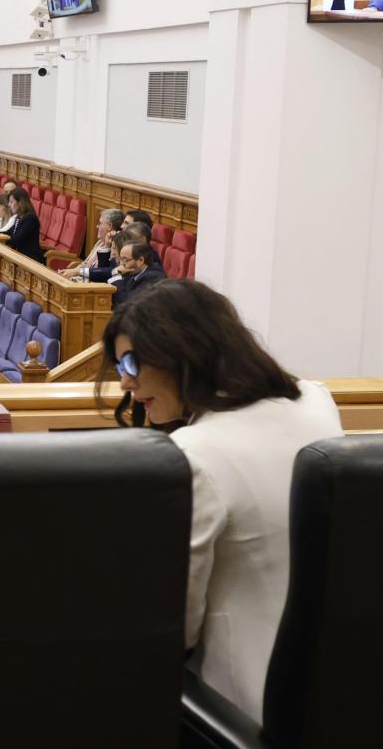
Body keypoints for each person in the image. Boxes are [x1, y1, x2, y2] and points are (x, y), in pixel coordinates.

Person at [99, 279, 343, 725]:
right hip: (333, 679)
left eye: (132, 362)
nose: (126, 383)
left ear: (182, 350)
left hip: (238, 704)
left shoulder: (197, 453)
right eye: (120, 367)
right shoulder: (315, 399)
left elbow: (177, 626)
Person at [66, 209, 126, 282]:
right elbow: (85, 263)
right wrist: (69, 272)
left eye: (100, 223)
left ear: (110, 226)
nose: (97, 226)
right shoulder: (100, 242)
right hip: (78, 279)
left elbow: (102, 272)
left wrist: (107, 247)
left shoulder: (115, 249)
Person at [112, 241, 166, 307]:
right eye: (120, 259)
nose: (121, 264)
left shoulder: (152, 278)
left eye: (125, 260)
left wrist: (116, 275)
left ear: (140, 260)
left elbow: (127, 304)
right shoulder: (133, 272)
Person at [5, 187, 45, 264]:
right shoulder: (18, 217)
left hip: (31, 260)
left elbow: (16, 240)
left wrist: (3, 239)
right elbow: (8, 233)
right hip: (20, 258)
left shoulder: (30, 218)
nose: (9, 205)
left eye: (11, 202)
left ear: (20, 202)